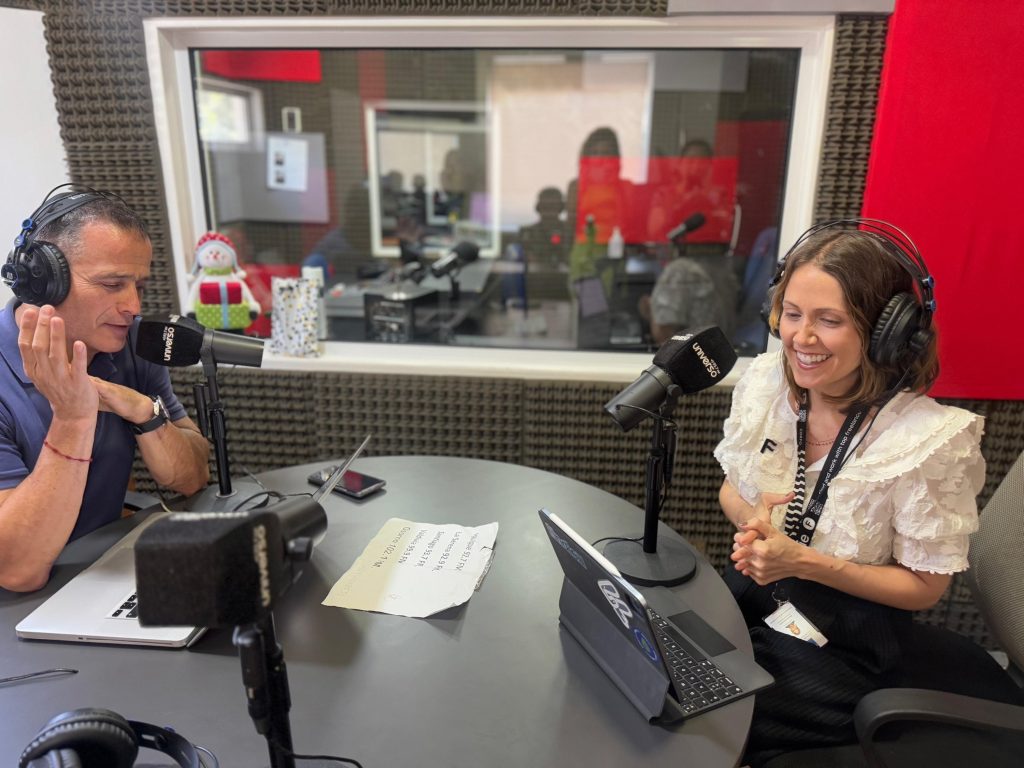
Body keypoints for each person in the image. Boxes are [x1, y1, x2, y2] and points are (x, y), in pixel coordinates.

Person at [713, 222, 1014, 764]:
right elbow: (730, 492)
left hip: (847, 640)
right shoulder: (767, 387)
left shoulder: (927, 442)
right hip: (756, 595)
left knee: (715, 716)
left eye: (829, 321)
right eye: (792, 314)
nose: (801, 338)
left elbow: (924, 588)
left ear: (886, 333)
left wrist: (804, 562)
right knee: (669, 661)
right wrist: (753, 517)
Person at [0, 187, 210, 592]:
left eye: (139, 286)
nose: (133, 306)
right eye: (112, 284)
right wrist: (72, 417)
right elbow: (16, 571)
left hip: (99, 574)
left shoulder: (131, 345)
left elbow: (191, 477)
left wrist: (144, 412)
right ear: (44, 282)